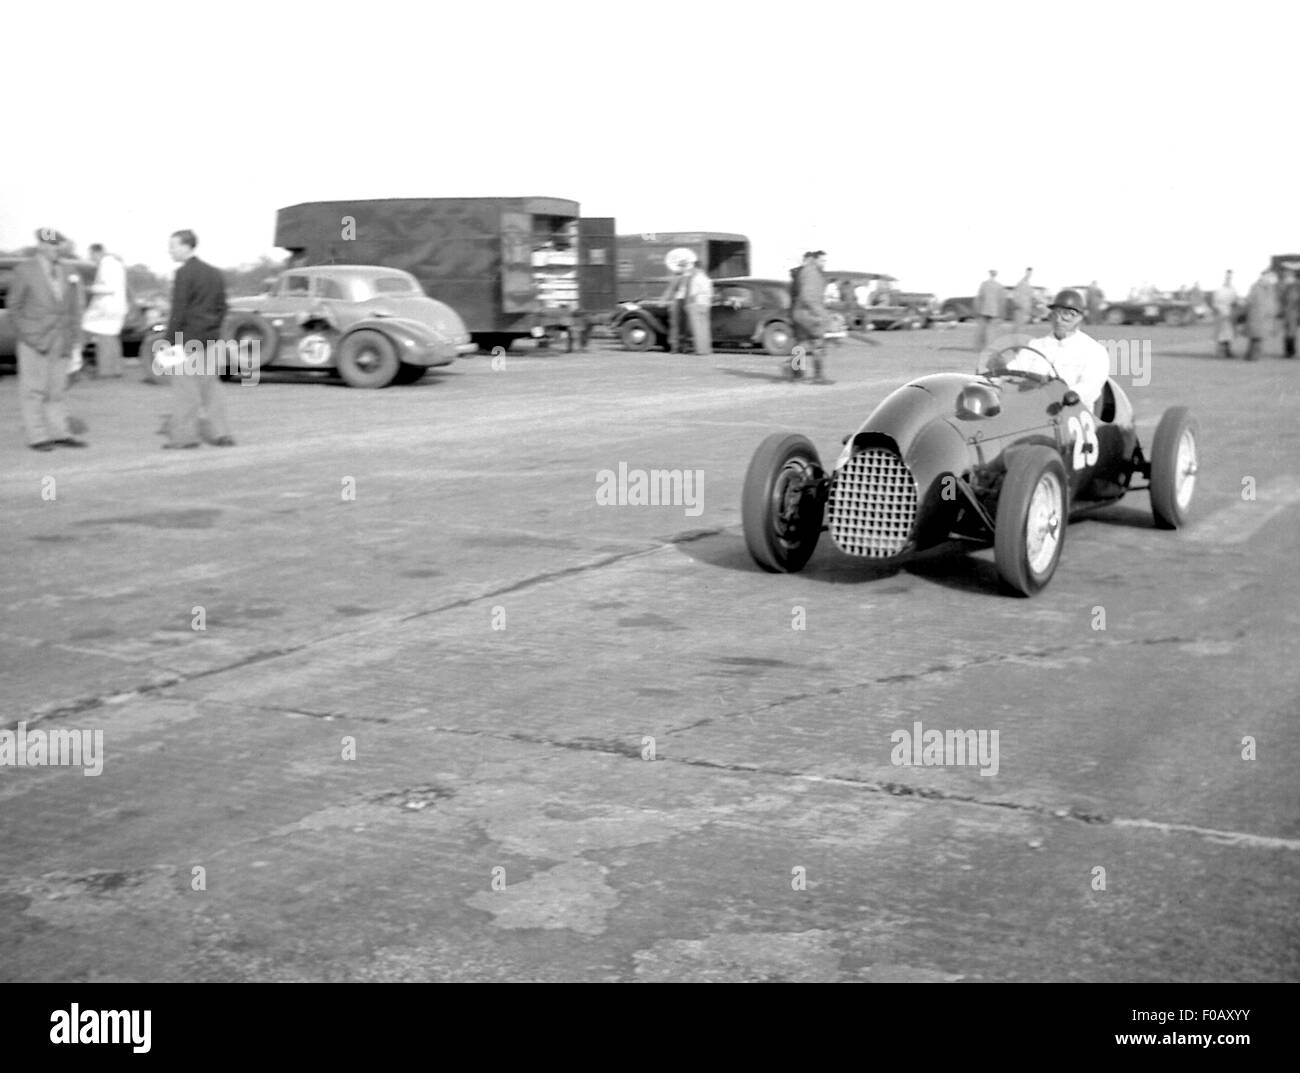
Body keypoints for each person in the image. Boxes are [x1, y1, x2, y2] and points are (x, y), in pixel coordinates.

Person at [7, 228, 88, 451]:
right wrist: (28, 334)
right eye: (52, 245)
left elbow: (75, 308)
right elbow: (14, 308)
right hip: (34, 340)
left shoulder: (69, 271)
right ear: (41, 246)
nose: (56, 249)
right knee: (33, 390)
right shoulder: (25, 270)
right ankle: (38, 437)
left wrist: (76, 341)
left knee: (57, 390)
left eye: (58, 245)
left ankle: (61, 432)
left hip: (61, 339)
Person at [162, 230, 234, 448]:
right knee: (212, 388)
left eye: (173, 246)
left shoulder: (184, 273)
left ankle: (185, 438)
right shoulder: (215, 273)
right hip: (211, 338)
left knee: (185, 389)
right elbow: (223, 307)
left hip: (186, 339)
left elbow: (178, 311)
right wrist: (212, 329)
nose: (170, 250)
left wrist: (168, 341)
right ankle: (222, 434)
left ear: (186, 246)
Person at [1011, 289, 1110, 415]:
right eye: (1056, 313)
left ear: (1079, 317)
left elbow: (1092, 385)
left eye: (1067, 314)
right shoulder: (1035, 345)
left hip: (1072, 416)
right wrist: (997, 372)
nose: (1059, 319)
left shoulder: (1094, 350)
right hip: (1030, 411)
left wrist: (1072, 395)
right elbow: (1015, 368)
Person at [82, 243, 128, 378]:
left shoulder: (106, 265)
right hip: (116, 307)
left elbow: (109, 287)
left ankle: (106, 371)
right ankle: (116, 369)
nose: (91, 259)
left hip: (108, 308)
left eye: (91, 255)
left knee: (101, 337)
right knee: (111, 338)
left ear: (97, 253)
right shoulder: (116, 263)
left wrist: (91, 288)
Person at [790, 250, 830, 383]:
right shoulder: (813, 273)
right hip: (809, 314)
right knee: (818, 342)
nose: (824, 263)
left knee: (800, 344)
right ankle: (818, 376)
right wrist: (821, 314)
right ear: (815, 260)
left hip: (798, 312)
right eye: (822, 260)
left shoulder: (802, 272)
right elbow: (809, 297)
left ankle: (797, 374)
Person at [680, 258, 713, 356]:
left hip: (697, 303)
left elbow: (692, 294)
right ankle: (707, 349)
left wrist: (688, 305)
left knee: (697, 329)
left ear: (696, 268)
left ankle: (700, 350)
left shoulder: (696, 279)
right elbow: (711, 294)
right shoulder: (708, 279)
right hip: (706, 304)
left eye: (693, 268)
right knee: (705, 328)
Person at [1243, 269, 1278, 362]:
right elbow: (1249, 300)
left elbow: (1272, 302)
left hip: (1265, 317)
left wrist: (1272, 312)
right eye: (1267, 276)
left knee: (1258, 337)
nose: (1268, 278)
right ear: (1262, 276)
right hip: (1256, 315)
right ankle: (1253, 357)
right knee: (1256, 337)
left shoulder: (1270, 288)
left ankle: (1251, 356)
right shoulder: (1255, 287)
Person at [973, 269, 1005, 353]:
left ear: (990, 274)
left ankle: (979, 348)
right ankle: (989, 348)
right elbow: (1001, 300)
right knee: (992, 331)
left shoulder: (984, 284)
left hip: (983, 310)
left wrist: (977, 310)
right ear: (996, 275)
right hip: (994, 311)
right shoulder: (999, 286)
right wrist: (1001, 313)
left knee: (982, 330)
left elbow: (979, 297)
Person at [1211, 270, 1239, 359]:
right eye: (1227, 277)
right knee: (1221, 335)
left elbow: (1235, 301)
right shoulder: (1219, 290)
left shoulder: (1233, 290)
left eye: (1230, 277)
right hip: (1221, 314)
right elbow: (1215, 303)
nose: (1229, 279)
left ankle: (1228, 351)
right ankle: (1220, 353)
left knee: (1229, 335)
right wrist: (1220, 310)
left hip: (1230, 314)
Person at [1279, 270, 1300, 359]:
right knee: (1289, 333)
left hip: (1293, 313)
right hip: (1289, 313)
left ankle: (1290, 351)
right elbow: (1283, 300)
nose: (1286, 278)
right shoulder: (1287, 287)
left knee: (1290, 333)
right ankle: (1289, 351)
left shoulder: (1295, 287)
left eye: (1287, 276)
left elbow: (1293, 300)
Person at [1011, 267, 1034, 333]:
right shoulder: (1021, 282)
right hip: (1020, 309)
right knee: (1018, 328)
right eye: (1029, 273)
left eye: (1031, 273)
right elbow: (1016, 294)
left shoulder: (1028, 283)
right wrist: (1017, 304)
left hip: (1026, 309)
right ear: (1026, 272)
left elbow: (1029, 296)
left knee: (1023, 328)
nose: (1030, 274)